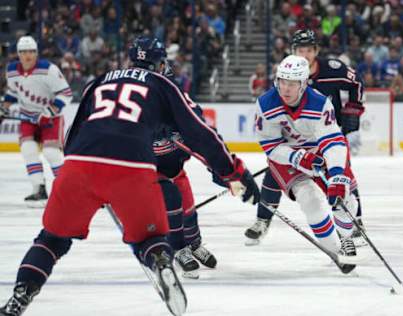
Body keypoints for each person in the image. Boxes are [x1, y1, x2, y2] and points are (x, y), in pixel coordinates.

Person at [0, 36, 260, 316]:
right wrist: (233, 170)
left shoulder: (100, 80)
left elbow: (73, 136)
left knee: (51, 240)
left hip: (80, 164)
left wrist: (86, 184)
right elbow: (200, 133)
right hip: (133, 168)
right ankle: (160, 258)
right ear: (160, 64)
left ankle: (20, 296)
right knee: (151, 238)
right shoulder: (163, 85)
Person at [245, 29, 365, 246]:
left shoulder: (332, 72)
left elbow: (356, 83)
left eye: (309, 50)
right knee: (276, 178)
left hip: (325, 136)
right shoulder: (270, 99)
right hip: (292, 146)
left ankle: (354, 223)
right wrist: (296, 156)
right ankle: (262, 219)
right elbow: (271, 144)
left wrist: (353, 111)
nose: (305, 54)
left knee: (343, 182)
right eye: (300, 50)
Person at [254, 55, 358, 273]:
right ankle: (335, 251)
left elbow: (332, 141)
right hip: (287, 155)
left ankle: (346, 235)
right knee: (310, 200)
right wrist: (297, 157)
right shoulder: (265, 104)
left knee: (345, 198)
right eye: (282, 81)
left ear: (303, 84)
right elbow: (271, 146)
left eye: (292, 83)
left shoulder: (320, 103)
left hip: (319, 150)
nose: (286, 88)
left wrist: (337, 175)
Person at [153, 60, 219, 279]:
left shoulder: (180, 100)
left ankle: (193, 243)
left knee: (188, 208)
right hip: (152, 172)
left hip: (175, 167)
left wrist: (218, 165)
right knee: (172, 207)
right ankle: (179, 248)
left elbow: (201, 129)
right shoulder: (140, 104)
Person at [0, 36, 72, 207]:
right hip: (28, 117)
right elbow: (13, 92)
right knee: (28, 149)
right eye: (23, 52)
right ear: (18, 54)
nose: (27, 55)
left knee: (51, 153)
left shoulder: (49, 69)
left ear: (36, 53)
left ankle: (68, 189)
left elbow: (66, 93)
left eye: (31, 51)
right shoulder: (11, 70)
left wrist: (50, 110)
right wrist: (5, 107)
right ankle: (38, 188)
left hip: (50, 119)